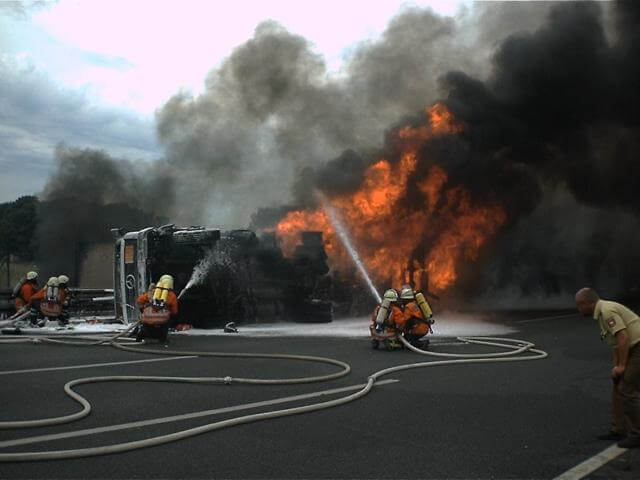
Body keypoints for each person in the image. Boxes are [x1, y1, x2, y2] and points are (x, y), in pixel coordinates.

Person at [575, 287, 640, 448]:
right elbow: (616, 343)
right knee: (618, 385)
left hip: (638, 347)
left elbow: (623, 338)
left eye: (579, 305)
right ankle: (619, 429)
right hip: (631, 348)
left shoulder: (607, 311)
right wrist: (617, 367)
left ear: (587, 303)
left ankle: (637, 434)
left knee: (626, 387)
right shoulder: (602, 313)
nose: (578, 309)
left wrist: (622, 366)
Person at [137, 275, 178, 344]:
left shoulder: (153, 292)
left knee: (145, 325)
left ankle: (140, 336)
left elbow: (139, 300)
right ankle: (162, 339)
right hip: (162, 320)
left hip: (148, 318)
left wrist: (143, 310)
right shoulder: (172, 295)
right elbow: (174, 311)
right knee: (166, 322)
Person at [398, 284, 432, 349]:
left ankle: (422, 343)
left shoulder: (408, 307)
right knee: (406, 339)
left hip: (419, 329)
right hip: (424, 327)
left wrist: (398, 328)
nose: (402, 301)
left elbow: (405, 321)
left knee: (410, 341)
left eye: (403, 299)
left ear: (406, 299)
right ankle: (412, 342)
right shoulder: (414, 304)